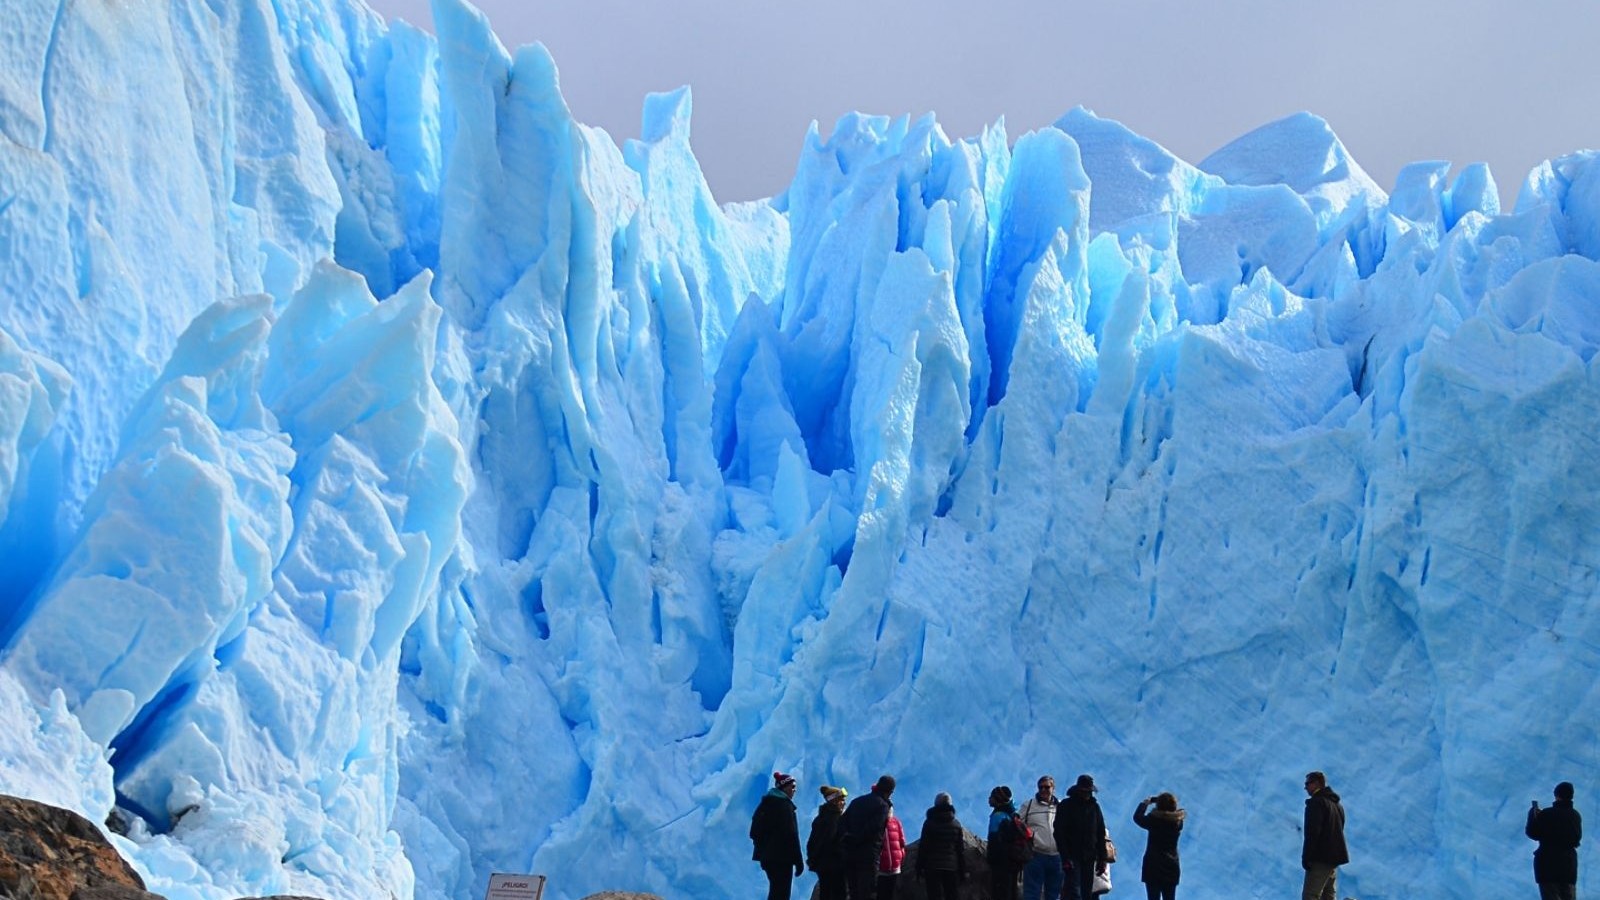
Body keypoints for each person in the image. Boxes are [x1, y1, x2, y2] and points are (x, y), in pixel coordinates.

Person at [839, 775, 896, 900]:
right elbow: (874, 828)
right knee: (867, 891)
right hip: (868, 855)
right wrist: (858, 838)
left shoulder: (857, 802)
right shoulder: (883, 807)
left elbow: (842, 824)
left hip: (850, 854)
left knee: (854, 891)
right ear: (889, 792)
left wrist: (849, 839)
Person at [1054, 774, 1109, 900]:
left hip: (1089, 856)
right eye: (1084, 791)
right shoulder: (1066, 806)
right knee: (1074, 892)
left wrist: (1102, 859)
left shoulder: (1094, 807)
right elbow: (1059, 833)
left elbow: (1100, 833)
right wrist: (1065, 857)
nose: (1087, 794)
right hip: (1072, 856)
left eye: (1089, 791)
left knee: (1086, 893)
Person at [751, 772, 805, 900]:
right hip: (783, 859)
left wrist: (764, 850)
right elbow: (791, 835)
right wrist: (798, 861)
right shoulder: (784, 806)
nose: (794, 790)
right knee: (782, 893)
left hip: (768, 859)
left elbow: (754, 832)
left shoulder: (765, 804)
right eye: (792, 787)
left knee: (775, 890)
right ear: (784, 787)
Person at [1527, 781, 1583, 900]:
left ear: (1557, 795)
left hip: (1548, 867)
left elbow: (1533, 832)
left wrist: (1533, 815)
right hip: (1568, 867)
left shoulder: (1547, 814)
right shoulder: (1576, 816)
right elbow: (1576, 838)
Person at [1301, 771, 1348, 900]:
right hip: (1334, 858)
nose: (1305, 787)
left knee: (1310, 895)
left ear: (1316, 784)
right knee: (1328, 895)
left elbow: (1312, 833)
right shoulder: (1337, 805)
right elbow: (1340, 828)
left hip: (1319, 858)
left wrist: (1307, 857)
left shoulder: (1316, 803)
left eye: (1307, 783)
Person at [1133, 792, 1185, 900]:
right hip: (1171, 866)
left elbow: (1137, 817)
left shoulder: (1153, 820)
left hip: (1153, 866)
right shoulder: (1178, 823)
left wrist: (1145, 803)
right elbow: (1174, 813)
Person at [915, 792, 967, 900]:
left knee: (934, 896)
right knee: (952, 895)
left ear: (936, 804)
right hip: (951, 867)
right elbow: (960, 850)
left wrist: (918, 868)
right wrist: (963, 871)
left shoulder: (929, 823)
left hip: (932, 866)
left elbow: (923, 847)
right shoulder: (956, 824)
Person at [1019, 775, 1063, 900]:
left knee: (1053, 894)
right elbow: (1018, 823)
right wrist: (1029, 837)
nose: (1043, 790)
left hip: (1057, 857)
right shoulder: (1029, 806)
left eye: (1047, 787)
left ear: (1053, 788)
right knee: (1032, 893)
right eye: (1041, 787)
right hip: (1035, 855)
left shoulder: (1061, 806)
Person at [809, 785, 849, 900]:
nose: (844, 803)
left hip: (822, 865)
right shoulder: (835, 819)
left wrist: (814, 860)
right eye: (841, 800)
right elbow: (833, 840)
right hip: (835, 864)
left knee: (825, 893)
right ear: (834, 801)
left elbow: (811, 843)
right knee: (839, 893)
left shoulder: (820, 818)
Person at [987, 785, 1023, 900]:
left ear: (997, 799)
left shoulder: (997, 816)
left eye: (991, 797)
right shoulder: (1012, 814)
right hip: (1014, 860)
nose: (989, 799)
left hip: (1000, 862)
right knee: (1011, 892)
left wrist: (991, 859)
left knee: (1000, 893)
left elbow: (994, 840)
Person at [877, 797, 907, 900]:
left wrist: (901, 856)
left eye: (890, 808)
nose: (889, 810)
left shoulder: (896, 822)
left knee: (893, 894)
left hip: (895, 867)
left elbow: (902, 841)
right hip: (881, 868)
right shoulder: (877, 823)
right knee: (881, 894)